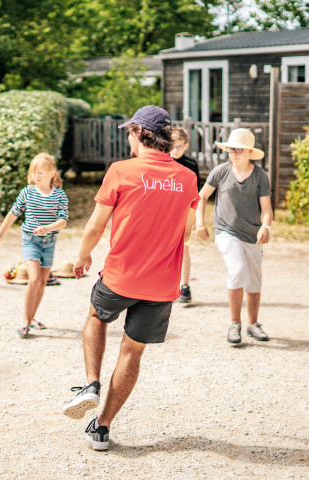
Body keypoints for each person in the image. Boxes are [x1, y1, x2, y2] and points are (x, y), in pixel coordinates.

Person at [62, 106, 199, 451]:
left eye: (128, 132)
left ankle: (90, 384)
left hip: (121, 276)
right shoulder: (187, 177)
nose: (127, 138)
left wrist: (82, 257)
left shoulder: (121, 171)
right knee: (132, 352)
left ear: (140, 132)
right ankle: (102, 428)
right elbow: (186, 232)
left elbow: (95, 225)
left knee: (96, 317)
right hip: (162, 284)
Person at [195, 128, 273, 345]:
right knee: (237, 270)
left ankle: (253, 324)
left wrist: (265, 226)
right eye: (230, 148)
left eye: (238, 149)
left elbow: (266, 208)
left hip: (253, 235)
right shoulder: (220, 172)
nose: (234, 152)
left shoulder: (260, 176)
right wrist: (200, 224)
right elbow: (201, 197)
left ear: (249, 151)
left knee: (254, 280)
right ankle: (234, 323)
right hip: (226, 232)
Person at [0, 153, 68, 337]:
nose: (37, 176)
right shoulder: (27, 192)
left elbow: (63, 220)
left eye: (41, 172)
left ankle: (32, 318)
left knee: (42, 283)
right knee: (33, 280)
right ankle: (25, 321)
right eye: (34, 172)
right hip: (30, 241)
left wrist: (48, 228)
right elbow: (13, 213)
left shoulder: (59, 195)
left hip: (49, 243)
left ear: (52, 173)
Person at [170, 127, 201, 303]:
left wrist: (195, 216)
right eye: (173, 146)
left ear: (186, 146)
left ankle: (184, 286)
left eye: (180, 147)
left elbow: (195, 193)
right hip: (166, 213)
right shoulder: (164, 162)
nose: (176, 150)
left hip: (184, 213)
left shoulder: (191, 165)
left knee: (184, 249)